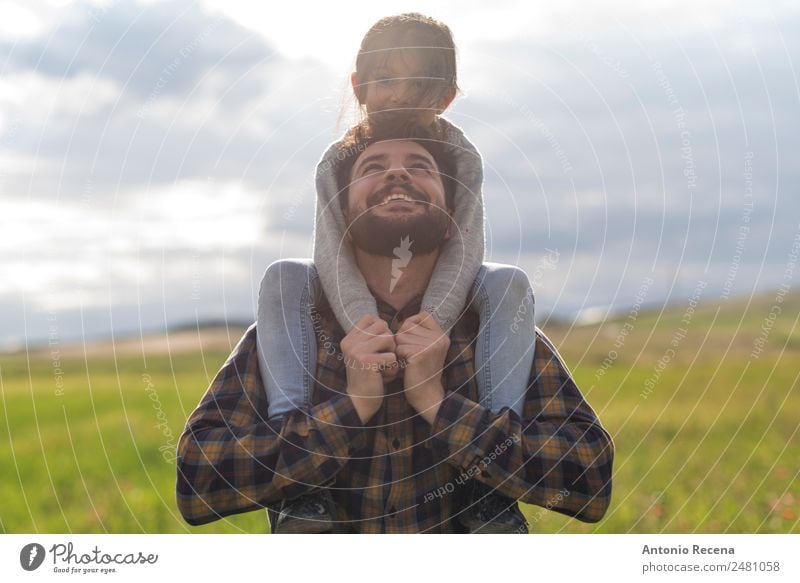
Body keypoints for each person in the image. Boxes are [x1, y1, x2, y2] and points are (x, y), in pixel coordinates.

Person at [176, 117, 615, 533]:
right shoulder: (293, 334)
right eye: (373, 166)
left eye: (420, 167)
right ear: (341, 217)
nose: (398, 175)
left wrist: (440, 405)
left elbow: (589, 482)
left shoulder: (497, 332)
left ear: (452, 217)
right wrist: (350, 410)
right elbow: (198, 482)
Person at [255, 13, 537, 533]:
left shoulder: (458, 157)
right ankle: (300, 491)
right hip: (350, 295)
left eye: (420, 84)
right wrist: (367, 326)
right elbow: (332, 251)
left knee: (506, 282)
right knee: (284, 276)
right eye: (386, 80)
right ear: (360, 86)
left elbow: (466, 246)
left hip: (443, 299)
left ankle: (489, 485)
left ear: (446, 96)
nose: (400, 96)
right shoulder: (339, 159)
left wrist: (427, 329)